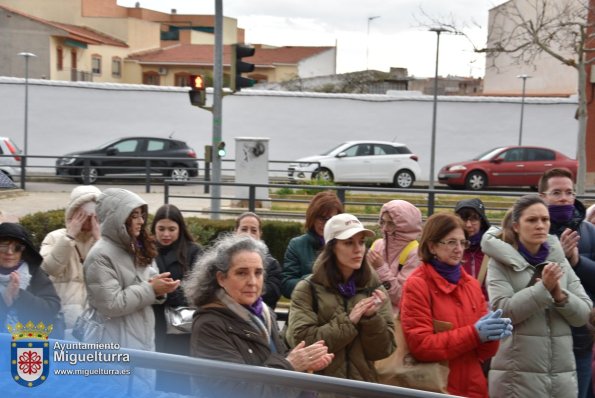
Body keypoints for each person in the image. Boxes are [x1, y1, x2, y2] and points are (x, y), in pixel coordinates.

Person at [185, 234, 334, 397]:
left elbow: (278, 363)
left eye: (258, 273)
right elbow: (234, 391)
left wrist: (305, 366)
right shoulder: (210, 324)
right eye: (241, 273)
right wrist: (290, 365)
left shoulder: (264, 312)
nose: (252, 281)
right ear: (221, 278)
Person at [481, 194, 592, 397]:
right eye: (532, 220)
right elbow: (502, 311)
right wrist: (542, 290)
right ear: (516, 226)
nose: (540, 225)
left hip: (561, 379)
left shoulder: (559, 260)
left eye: (545, 219)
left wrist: (559, 294)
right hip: (516, 380)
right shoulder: (499, 262)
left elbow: (583, 314)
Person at [400, 212, 511, 397]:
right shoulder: (417, 285)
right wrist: (475, 334)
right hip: (436, 388)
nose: (459, 248)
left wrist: (492, 336)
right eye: (451, 242)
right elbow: (421, 346)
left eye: (462, 242)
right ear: (432, 246)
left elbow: (483, 353)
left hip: (474, 388)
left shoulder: (471, 285)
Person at [84, 188, 179, 389]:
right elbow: (111, 304)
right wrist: (152, 289)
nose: (141, 221)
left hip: (141, 338)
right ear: (117, 218)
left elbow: (147, 280)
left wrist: (161, 288)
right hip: (113, 345)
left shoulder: (136, 247)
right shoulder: (100, 256)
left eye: (141, 215)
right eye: (134, 216)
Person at [285, 213, 395, 382]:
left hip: (362, 389)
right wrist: (348, 322)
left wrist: (371, 319)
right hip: (319, 389)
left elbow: (383, 351)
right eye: (348, 243)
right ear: (332, 247)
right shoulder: (307, 288)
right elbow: (302, 342)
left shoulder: (374, 288)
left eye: (361, 242)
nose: (358, 249)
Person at [538, 168, 595, 398]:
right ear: (543, 196)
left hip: (580, 339)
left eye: (569, 193)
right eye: (557, 192)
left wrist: (576, 260)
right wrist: (557, 257)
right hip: (540, 341)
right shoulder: (532, 230)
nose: (564, 198)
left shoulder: (590, 232)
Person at [150, 204, 203, 394]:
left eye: (171, 229)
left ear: (180, 229)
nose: (166, 234)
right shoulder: (145, 250)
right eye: (161, 229)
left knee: (178, 378)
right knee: (154, 376)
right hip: (152, 323)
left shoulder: (194, 252)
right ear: (154, 228)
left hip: (182, 328)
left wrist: (164, 292)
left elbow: (199, 288)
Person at [40, 185, 101, 337]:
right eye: (84, 214)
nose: (88, 220)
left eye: (94, 214)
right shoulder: (54, 237)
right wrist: (69, 237)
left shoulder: (104, 242)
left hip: (95, 324)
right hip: (62, 320)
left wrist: (100, 240)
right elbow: (48, 268)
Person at [0, 223, 62, 334]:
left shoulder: (34, 273)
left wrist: (19, 295)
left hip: (31, 344)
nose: (9, 252)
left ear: (24, 251)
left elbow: (52, 308)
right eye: (3, 245)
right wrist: (4, 300)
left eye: (17, 247)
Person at [281, 191, 344, 299]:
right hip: (306, 309)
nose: (326, 223)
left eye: (331, 219)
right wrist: (314, 281)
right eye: (321, 218)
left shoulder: (345, 244)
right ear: (312, 217)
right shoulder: (297, 244)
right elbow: (286, 286)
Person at [366, 199, 422, 314]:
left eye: (391, 223)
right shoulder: (378, 244)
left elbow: (402, 296)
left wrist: (381, 268)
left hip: (395, 319)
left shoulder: (415, 253)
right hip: (371, 313)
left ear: (405, 226)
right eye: (383, 222)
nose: (385, 228)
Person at [235, 211, 282, 309]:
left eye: (253, 230)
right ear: (236, 231)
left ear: (260, 234)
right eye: (244, 229)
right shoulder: (222, 260)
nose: (248, 234)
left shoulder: (272, 265)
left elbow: (273, 294)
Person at [454, 198, 491, 299]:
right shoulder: (449, 250)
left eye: (474, 219)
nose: (468, 225)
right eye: (464, 219)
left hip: (487, 308)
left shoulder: (493, 249)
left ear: (481, 221)